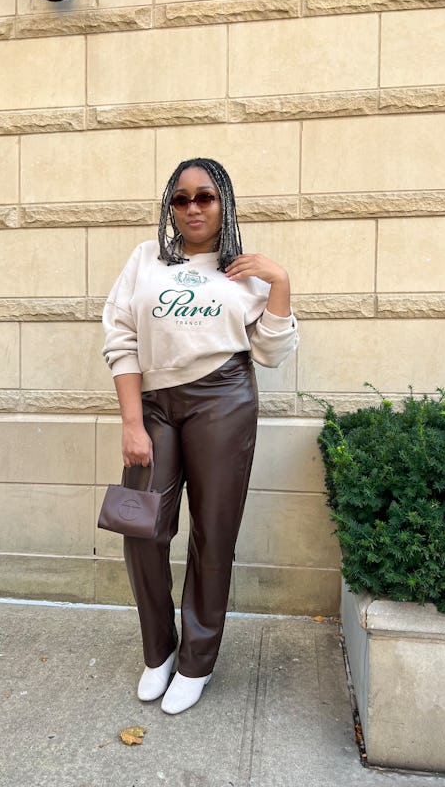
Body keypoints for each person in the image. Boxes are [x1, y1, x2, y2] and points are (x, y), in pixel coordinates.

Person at [102, 157, 298, 714]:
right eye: (181, 198)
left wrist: (279, 281)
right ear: (170, 206)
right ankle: (159, 652)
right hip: (155, 404)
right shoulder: (145, 260)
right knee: (141, 527)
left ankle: (197, 662)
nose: (192, 207)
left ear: (223, 203)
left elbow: (272, 351)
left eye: (204, 197)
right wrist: (132, 422)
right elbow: (120, 337)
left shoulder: (246, 270)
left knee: (214, 533)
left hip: (223, 399)